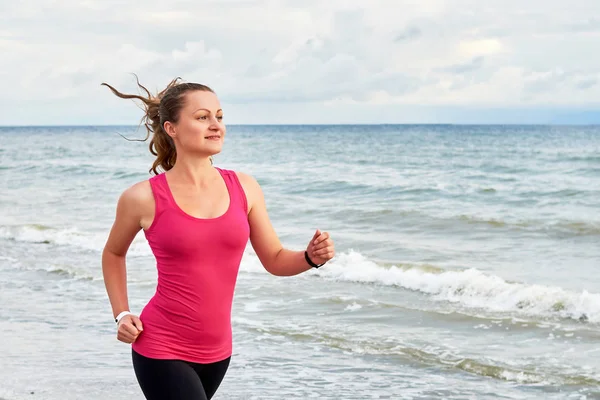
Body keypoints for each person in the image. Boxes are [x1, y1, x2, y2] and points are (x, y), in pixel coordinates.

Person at [100, 77, 336, 400]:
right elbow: (113, 253)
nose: (216, 125)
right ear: (172, 128)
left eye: (220, 116)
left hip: (218, 353)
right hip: (161, 345)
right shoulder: (142, 198)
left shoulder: (244, 187)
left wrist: (310, 258)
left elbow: (275, 259)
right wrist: (122, 313)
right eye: (202, 117)